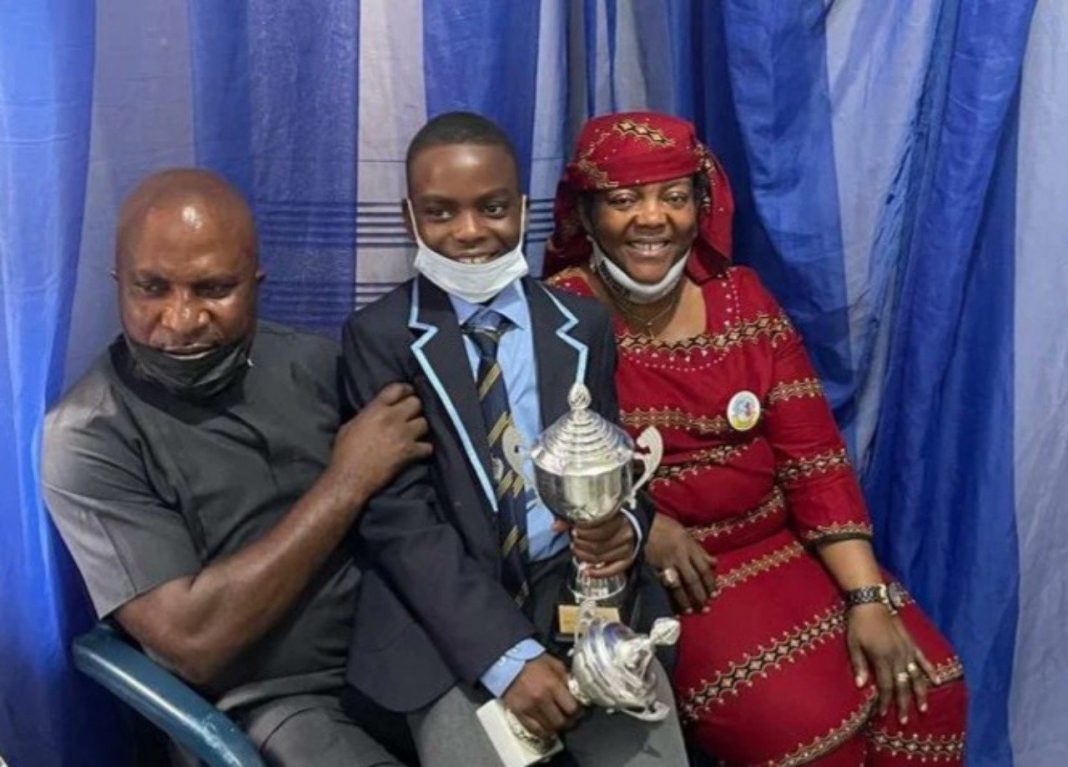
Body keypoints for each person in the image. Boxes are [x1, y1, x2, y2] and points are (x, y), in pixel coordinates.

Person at [544, 112, 968, 765]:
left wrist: (866, 599)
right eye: (624, 199)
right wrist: (640, 521)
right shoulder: (559, 316)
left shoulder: (744, 299)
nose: (653, 218)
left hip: (785, 548)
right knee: (809, 735)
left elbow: (815, 461)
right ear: (587, 212)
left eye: (674, 196)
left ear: (700, 204)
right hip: (677, 583)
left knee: (930, 689)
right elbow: (534, 472)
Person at [43, 169, 430, 767]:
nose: (181, 319)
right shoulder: (91, 433)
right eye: (152, 288)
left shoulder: (315, 364)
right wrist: (347, 481)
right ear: (119, 283)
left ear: (256, 284)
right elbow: (193, 643)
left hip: (398, 655)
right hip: (269, 703)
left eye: (213, 289)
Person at [340, 111, 689, 767]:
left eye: (493, 207)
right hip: (444, 627)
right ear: (410, 218)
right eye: (441, 212)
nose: (470, 231)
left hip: (579, 605)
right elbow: (399, 522)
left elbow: (617, 470)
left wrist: (624, 530)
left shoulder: (581, 325)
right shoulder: (380, 338)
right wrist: (508, 658)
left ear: (524, 209)